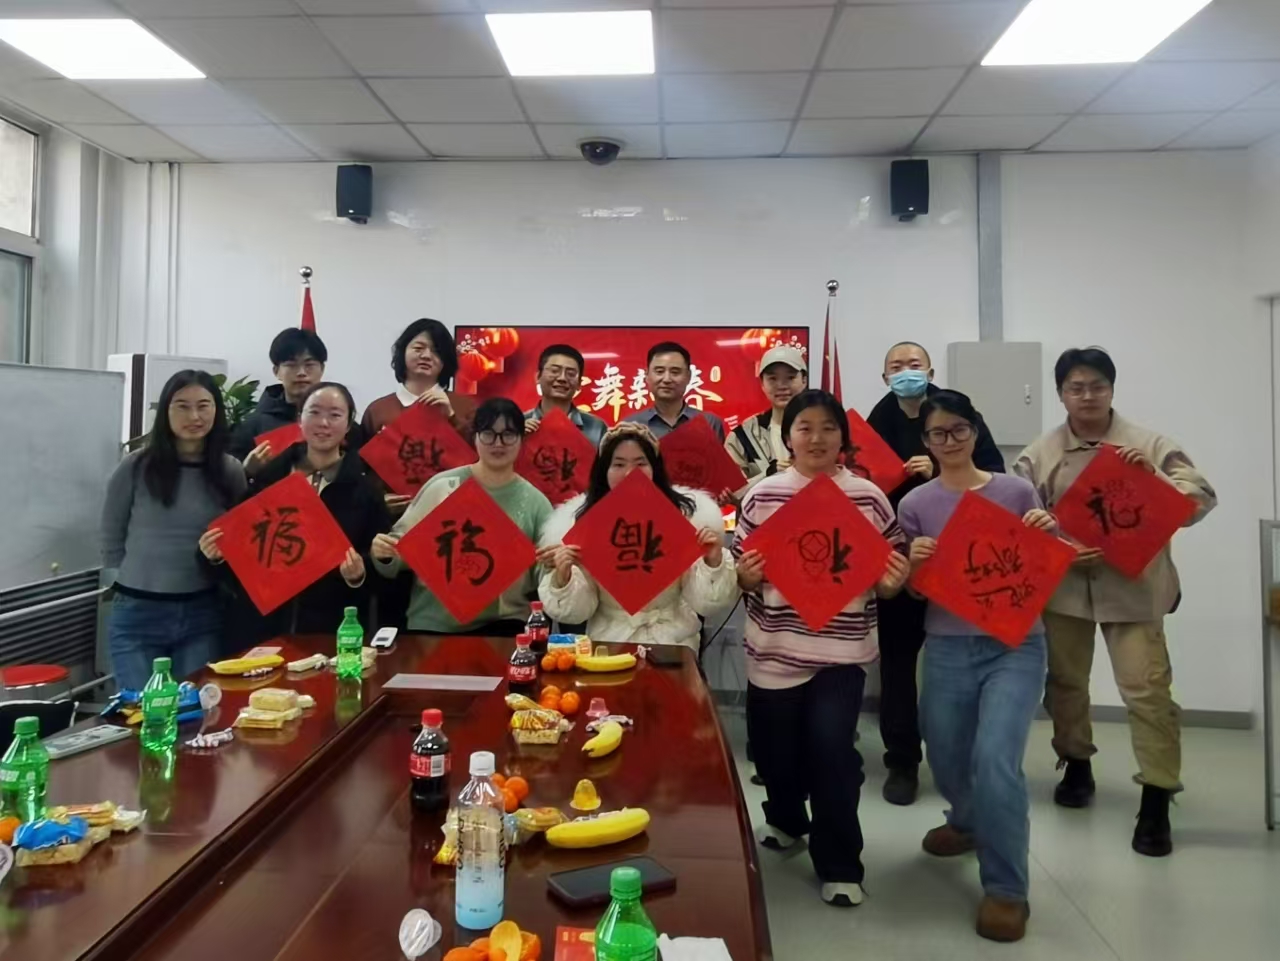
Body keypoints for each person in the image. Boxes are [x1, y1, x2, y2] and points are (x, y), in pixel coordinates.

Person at [1013, 347, 1216, 858]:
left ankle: (1157, 794)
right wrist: (1058, 546)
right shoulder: (1040, 453)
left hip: (1135, 589)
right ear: (1061, 394)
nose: (1087, 396)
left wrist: (1153, 478)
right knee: (1066, 684)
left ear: (1112, 390)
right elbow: (1019, 522)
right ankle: (1076, 762)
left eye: (1097, 386)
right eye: (1076, 387)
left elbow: (1199, 499)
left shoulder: (1149, 444)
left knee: (1147, 692)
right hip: (1065, 591)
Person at [733, 389, 910, 908]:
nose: (817, 438)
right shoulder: (763, 495)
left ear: (843, 439)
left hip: (840, 651)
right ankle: (787, 819)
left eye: (828, 428)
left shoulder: (867, 497)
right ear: (787, 438)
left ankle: (840, 863)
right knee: (774, 755)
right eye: (805, 427)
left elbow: (890, 569)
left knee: (833, 754)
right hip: (774, 649)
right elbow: (740, 571)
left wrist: (893, 582)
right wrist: (745, 576)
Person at [898, 390, 1052, 944]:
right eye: (938, 433)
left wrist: (1047, 535)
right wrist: (914, 566)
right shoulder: (916, 504)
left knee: (995, 761)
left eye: (959, 429)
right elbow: (915, 592)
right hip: (946, 646)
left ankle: (1007, 889)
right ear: (926, 441)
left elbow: (1040, 568)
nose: (950, 441)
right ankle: (966, 820)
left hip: (1015, 645)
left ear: (975, 430)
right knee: (944, 757)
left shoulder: (1015, 491)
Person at [866, 340, 1006, 807]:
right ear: (884, 377)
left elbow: (994, 476)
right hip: (900, 557)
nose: (905, 372)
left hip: (963, 560)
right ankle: (902, 760)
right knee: (897, 665)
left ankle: (965, 759)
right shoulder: (875, 422)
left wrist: (942, 467)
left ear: (929, 371)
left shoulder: (958, 413)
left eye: (914, 364)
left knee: (963, 664)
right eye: (896, 366)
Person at [200, 383, 391, 638]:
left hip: (329, 630)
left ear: (348, 425)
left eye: (335, 415)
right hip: (261, 627)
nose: (323, 423)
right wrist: (215, 556)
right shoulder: (270, 478)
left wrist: (359, 574)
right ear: (300, 419)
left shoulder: (365, 491)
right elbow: (238, 552)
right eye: (314, 412)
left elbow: (382, 570)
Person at [101, 370, 247, 690]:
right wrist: (133, 579)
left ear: (216, 411)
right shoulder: (136, 466)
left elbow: (240, 540)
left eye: (204, 406)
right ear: (165, 411)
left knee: (193, 712)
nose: (194, 416)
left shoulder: (230, 470)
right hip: (138, 613)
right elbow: (112, 534)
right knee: (141, 710)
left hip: (202, 613)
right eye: (182, 406)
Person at [537, 423, 736, 651]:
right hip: (609, 642)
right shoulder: (582, 525)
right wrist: (563, 578)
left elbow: (705, 603)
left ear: (655, 468)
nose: (630, 473)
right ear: (604, 470)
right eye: (619, 464)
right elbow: (578, 611)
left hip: (674, 642)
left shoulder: (687, 518)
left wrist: (713, 562)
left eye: (640, 463)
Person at [371, 398, 553, 636]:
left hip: (504, 624)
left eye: (508, 434)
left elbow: (544, 572)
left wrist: (554, 565)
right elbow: (400, 551)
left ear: (521, 439)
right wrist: (384, 553)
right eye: (488, 434)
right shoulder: (442, 486)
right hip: (435, 621)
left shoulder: (535, 502)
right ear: (475, 437)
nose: (498, 443)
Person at [360, 317, 476, 444]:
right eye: (418, 348)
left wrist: (451, 418)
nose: (426, 356)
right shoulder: (377, 411)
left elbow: (478, 452)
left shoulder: (466, 408)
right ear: (403, 352)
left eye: (437, 351)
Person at [229, 328, 328, 471]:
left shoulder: (339, 424)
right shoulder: (251, 427)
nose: (301, 373)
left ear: (322, 369)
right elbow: (227, 479)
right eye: (291, 365)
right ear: (276, 371)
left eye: (309, 365)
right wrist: (247, 471)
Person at [725, 345, 807, 500]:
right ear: (762, 384)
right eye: (773, 379)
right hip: (758, 515)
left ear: (804, 380)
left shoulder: (824, 431)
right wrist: (770, 474)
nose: (781, 386)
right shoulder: (742, 437)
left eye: (790, 378)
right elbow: (731, 493)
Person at [625, 341, 725, 442]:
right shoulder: (631, 426)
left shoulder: (709, 423)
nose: (667, 379)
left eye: (675, 372)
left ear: (689, 376)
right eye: (659, 371)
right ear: (647, 375)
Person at [523, 343, 608, 448]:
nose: (562, 378)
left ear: (579, 383)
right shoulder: (518, 425)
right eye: (554, 371)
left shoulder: (596, 428)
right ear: (538, 377)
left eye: (571, 374)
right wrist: (518, 439)